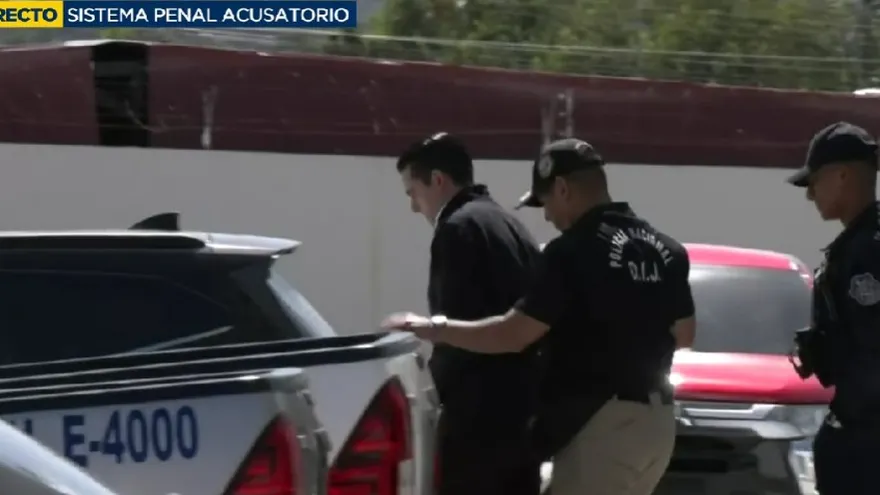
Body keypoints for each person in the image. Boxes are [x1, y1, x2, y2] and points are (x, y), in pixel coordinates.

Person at [384, 137, 696, 495]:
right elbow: (684, 335)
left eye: (545, 202)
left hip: (602, 425)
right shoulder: (666, 249)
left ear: (562, 188)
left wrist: (433, 328)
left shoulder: (571, 250)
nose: (546, 216)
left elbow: (514, 334)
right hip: (657, 428)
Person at [395, 132, 543, 495]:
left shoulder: (457, 229)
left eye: (413, 192)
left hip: (478, 424)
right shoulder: (509, 224)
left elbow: (456, 339)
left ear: (438, 180)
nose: (414, 207)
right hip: (524, 416)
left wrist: (432, 403)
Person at [787, 121, 880, 495]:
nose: (810, 195)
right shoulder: (857, 245)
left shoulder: (866, 252)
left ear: (842, 175)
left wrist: (852, 423)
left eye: (814, 182)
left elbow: (872, 353)